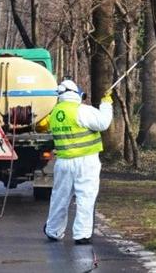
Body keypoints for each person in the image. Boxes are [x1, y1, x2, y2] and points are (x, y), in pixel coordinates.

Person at [43, 79, 113, 245]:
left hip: (64, 161)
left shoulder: (54, 114)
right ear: (76, 93)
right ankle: (81, 235)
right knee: (85, 197)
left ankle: (53, 230)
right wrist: (106, 104)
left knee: (59, 197)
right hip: (86, 161)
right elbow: (103, 123)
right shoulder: (82, 110)